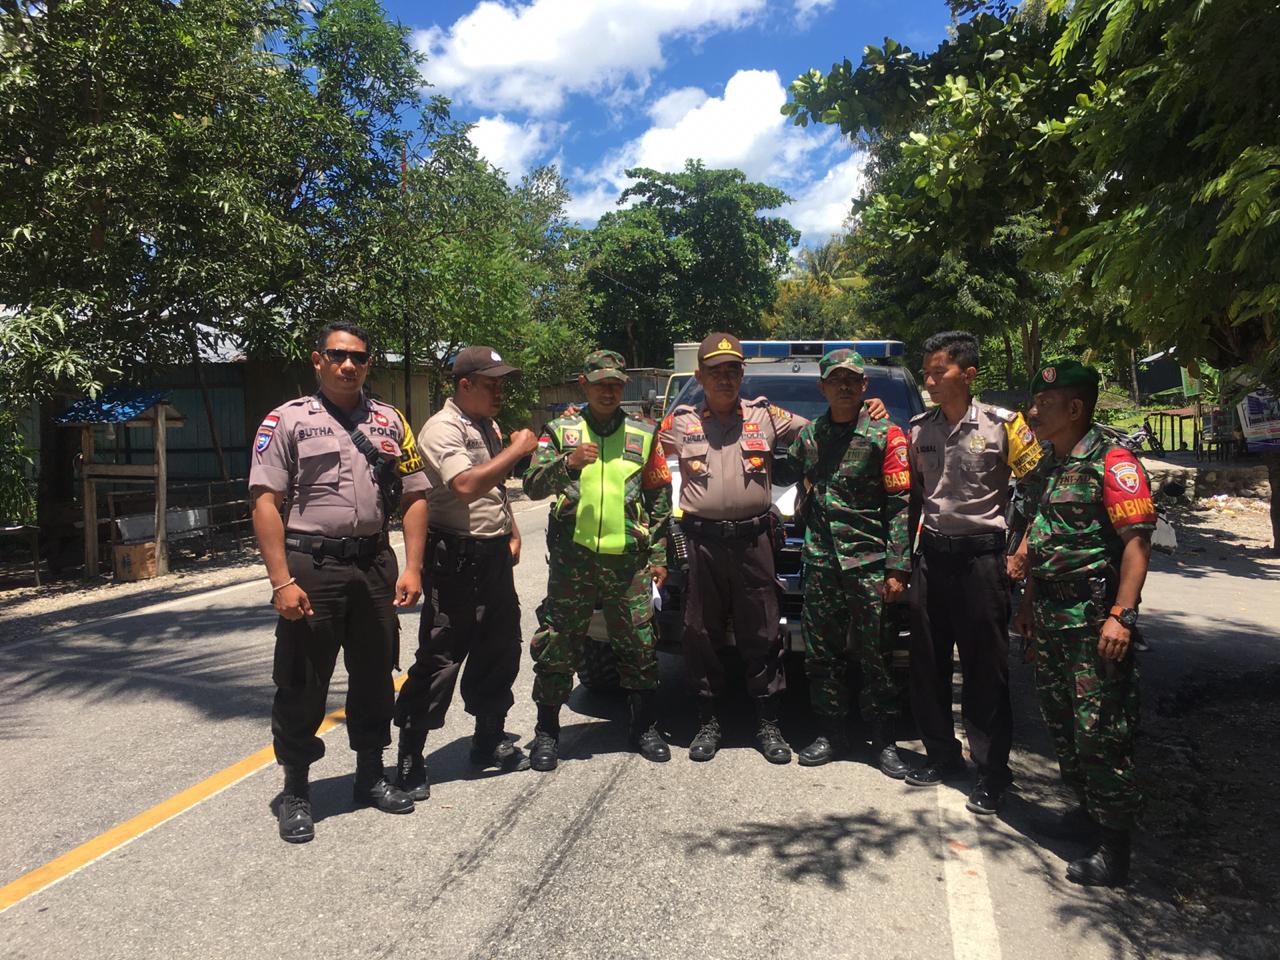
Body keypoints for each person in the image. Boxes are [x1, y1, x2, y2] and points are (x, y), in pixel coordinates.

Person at [658, 333, 888, 763]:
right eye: (715, 370)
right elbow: (639, 454)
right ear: (699, 375)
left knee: (763, 632)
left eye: (733, 370)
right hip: (701, 543)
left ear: (742, 374)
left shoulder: (766, 416)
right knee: (699, 633)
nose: (725, 378)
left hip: (754, 540)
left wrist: (867, 410)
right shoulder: (679, 423)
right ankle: (708, 721)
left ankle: (768, 723)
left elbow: (826, 429)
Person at [250, 321, 429, 843]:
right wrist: (281, 580)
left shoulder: (391, 421)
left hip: (373, 563)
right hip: (313, 565)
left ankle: (370, 776)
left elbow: (416, 494)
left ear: (369, 363)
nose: (348, 365)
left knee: (375, 674)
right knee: (304, 680)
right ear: (318, 361)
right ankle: (297, 790)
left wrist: (412, 565)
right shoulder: (286, 421)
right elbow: (265, 501)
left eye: (358, 357)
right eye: (337, 355)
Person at [1015, 360, 1152, 887]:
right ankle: (1088, 813)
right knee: (1064, 726)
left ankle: (1115, 849)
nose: (1032, 412)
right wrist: (1027, 608)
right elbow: (1039, 545)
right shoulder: (1047, 466)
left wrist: (1122, 615)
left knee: (1102, 733)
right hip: (1049, 619)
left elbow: (1137, 546)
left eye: (1043, 404)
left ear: (1075, 408)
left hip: (1094, 623)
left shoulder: (1112, 463)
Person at [392, 346, 539, 798]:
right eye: (491, 383)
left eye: (502, 382)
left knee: (500, 649)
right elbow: (466, 485)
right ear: (465, 385)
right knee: (440, 658)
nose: (499, 391)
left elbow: (494, 492)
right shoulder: (441, 429)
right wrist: (517, 449)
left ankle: (488, 739)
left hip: (492, 555)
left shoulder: (486, 425)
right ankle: (411, 756)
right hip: (454, 559)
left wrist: (510, 529)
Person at [905, 330, 1043, 815]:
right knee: (928, 664)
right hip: (933, 558)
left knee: (986, 671)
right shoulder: (918, 429)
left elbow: (1040, 488)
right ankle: (942, 756)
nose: (929, 381)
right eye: (926, 372)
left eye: (937, 372)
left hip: (983, 561)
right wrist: (907, 560)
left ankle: (991, 773)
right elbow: (913, 500)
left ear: (968, 374)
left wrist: (1022, 548)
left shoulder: (1006, 425)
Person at [522, 350, 674, 770]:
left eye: (615, 383)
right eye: (600, 382)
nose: (608, 390)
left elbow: (660, 498)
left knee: (639, 645)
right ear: (583, 384)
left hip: (627, 563)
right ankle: (547, 733)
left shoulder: (644, 434)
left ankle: (643, 727)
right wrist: (567, 464)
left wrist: (659, 554)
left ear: (623, 387)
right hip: (574, 562)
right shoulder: (560, 431)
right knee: (557, 646)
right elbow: (531, 485)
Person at [787, 349, 912, 777]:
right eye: (834, 379)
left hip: (871, 563)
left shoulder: (886, 435)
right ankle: (831, 734)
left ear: (864, 387)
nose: (843, 386)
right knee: (823, 655)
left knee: (878, 654)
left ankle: (884, 740)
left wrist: (898, 568)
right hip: (822, 564)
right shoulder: (810, 438)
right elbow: (790, 471)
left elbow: (900, 505)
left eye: (851, 380)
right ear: (822, 387)